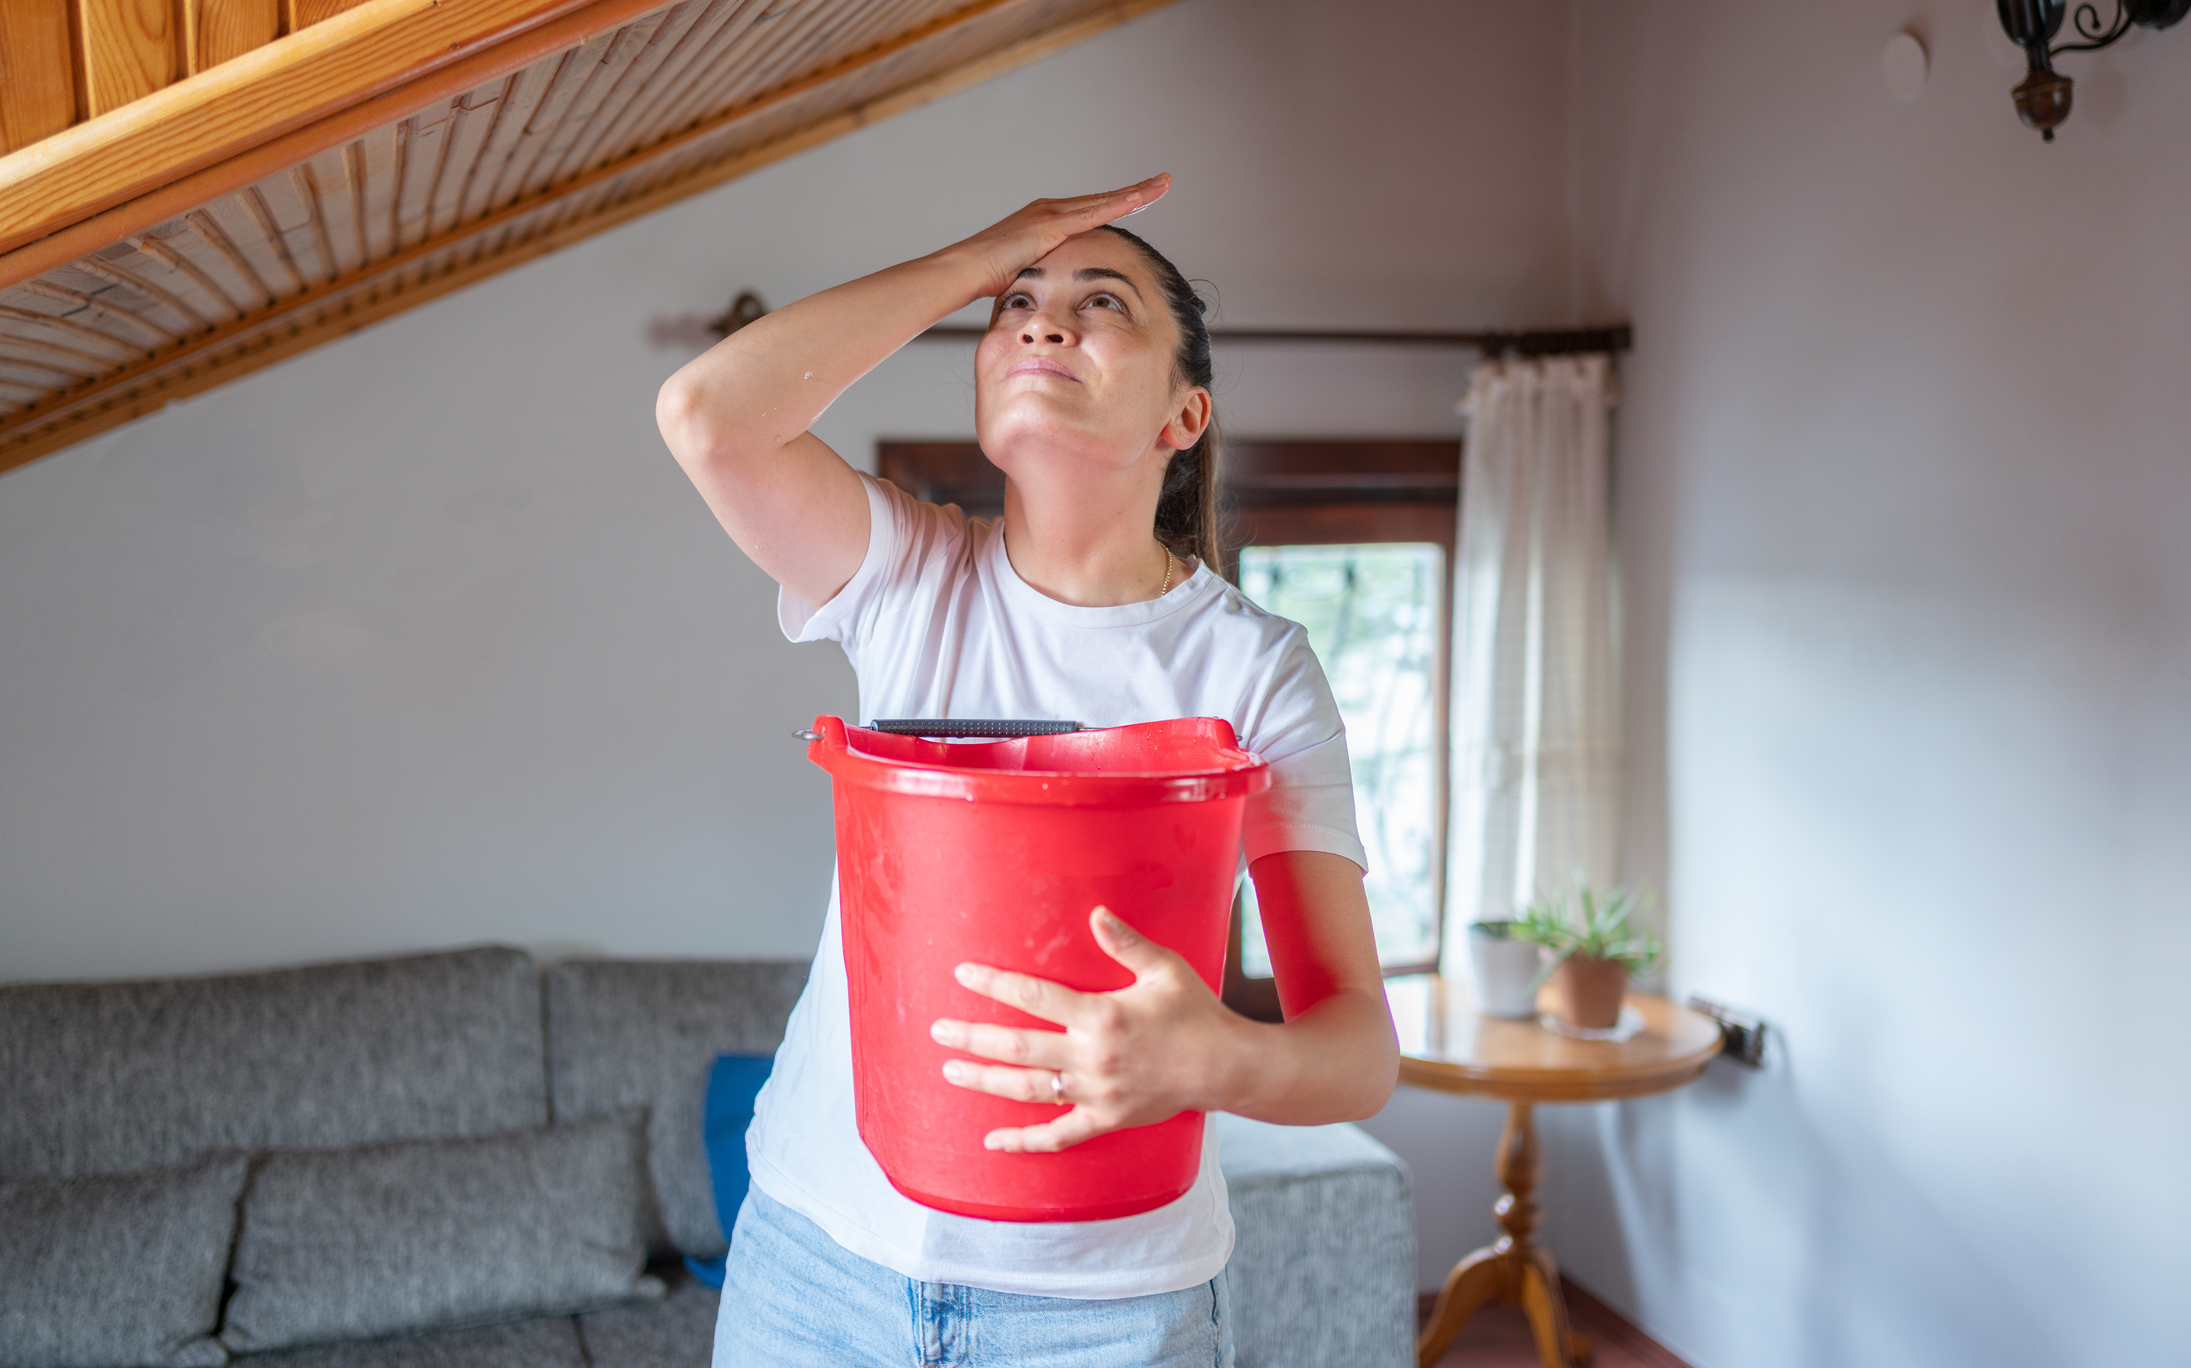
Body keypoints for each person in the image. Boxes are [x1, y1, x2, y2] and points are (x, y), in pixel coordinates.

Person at [656, 174, 1400, 1367]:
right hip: (819, 1262)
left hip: (1105, 1312)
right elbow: (708, 414)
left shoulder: (1256, 672)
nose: (1043, 322)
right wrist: (990, 250)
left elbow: (1358, 1047)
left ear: (1183, 417)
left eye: (1099, 303)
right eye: (1017, 305)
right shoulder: (908, 576)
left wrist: (1222, 1055)